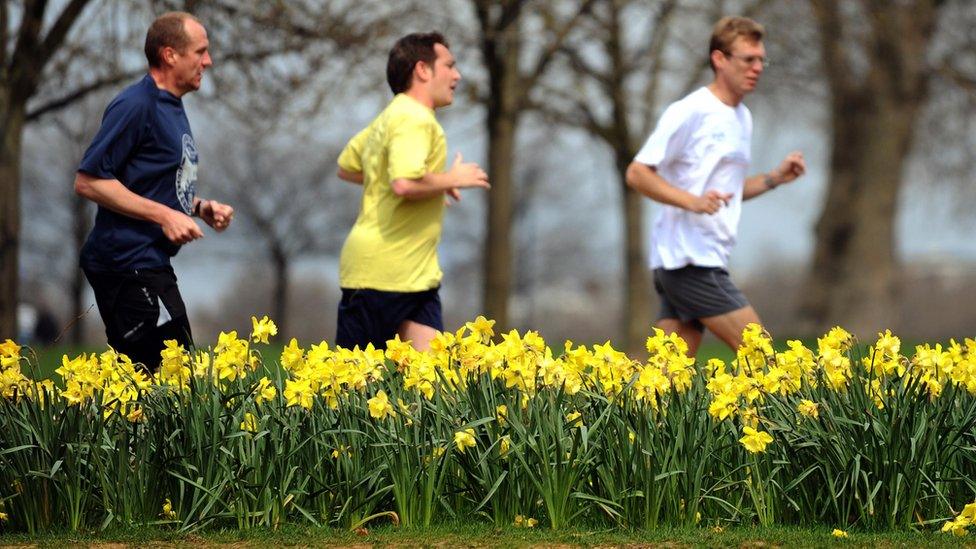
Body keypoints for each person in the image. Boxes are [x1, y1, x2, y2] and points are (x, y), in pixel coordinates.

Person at [625, 16, 806, 356]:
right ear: (719, 59)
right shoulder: (690, 111)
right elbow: (637, 173)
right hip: (690, 261)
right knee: (764, 358)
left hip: (700, 259)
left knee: (665, 381)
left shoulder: (742, 118)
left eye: (761, 60)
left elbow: (729, 193)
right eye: (747, 59)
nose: (757, 68)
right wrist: (692, 202)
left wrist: (775, 178)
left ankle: (609, 410)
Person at [74, 12, 233, 370]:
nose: (208, 61)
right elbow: (89, 180)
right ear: (170, 55)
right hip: (124, 262)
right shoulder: (136, 105)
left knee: (172, 383)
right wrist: (164, 215)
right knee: (167, 382)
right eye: (200, 51)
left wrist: (200, 207)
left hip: (148, 263)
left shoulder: (172, 108)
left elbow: (150, 185)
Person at [335, 32, 490, 352]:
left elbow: (349, 167)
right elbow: (403, 183)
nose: (457, 75)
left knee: (435, 384)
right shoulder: (415, 119)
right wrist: (449, 179)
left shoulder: (390, 117)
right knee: (351, 392)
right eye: (449, 65)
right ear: (422, 69)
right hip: (382, 278)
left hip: (415, 278)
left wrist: (435, 186)